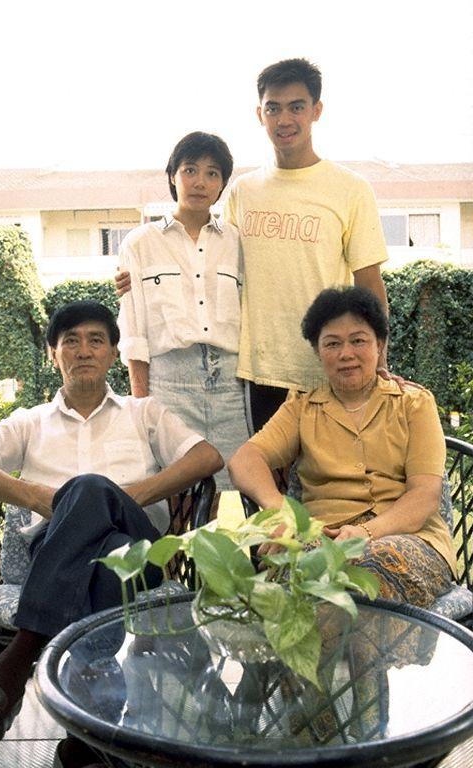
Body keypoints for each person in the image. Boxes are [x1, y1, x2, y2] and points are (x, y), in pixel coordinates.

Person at [0, 300, 222, 765]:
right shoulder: (29, 421)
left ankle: (16, 662)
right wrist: (37, 497)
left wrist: (132, 496)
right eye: (71, 341)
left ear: (113, 353)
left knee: (90, 491)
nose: (84, 350)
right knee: (101, 539)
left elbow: (206, 458)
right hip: (61, 559)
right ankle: (93, 743)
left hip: (143, 558)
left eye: (96, 340)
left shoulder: (144, 414)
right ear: (53, 355)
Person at [228, 286, 456, 607]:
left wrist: (367, 533)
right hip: (320, 540)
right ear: (318, 352)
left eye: (358, 340)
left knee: (362, 572)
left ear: (379, 345)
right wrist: (283, 513)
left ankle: (342, 656)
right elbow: (245, 460)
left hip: (407, 539)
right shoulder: (302, 407)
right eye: (332, 343)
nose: (346, 354)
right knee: (290, 577)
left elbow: (424, 495)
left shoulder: (413, 404)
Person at [224, 58, 390, 431]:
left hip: (329, 367)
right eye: (274, 108)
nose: (284, 120)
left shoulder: (351, 189)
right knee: (270, 487)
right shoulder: (242, 191)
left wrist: (378, 360)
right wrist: (136, 275)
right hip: (260, 371)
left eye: (296, 107)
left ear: (316, 110)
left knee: (332, 485)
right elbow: (209, 263)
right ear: (259, 114)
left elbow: (370, 283)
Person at [117, 131, 249, 491]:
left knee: (234, 490)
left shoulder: (237, 242)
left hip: (230, 387)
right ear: (173, 176)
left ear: (222, 184)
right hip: (169, 384)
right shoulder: (140, 243)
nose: (200, 182)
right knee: (173, 494)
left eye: (212, 173)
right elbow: (133, 329)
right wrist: (141, 403)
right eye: (190, 170)